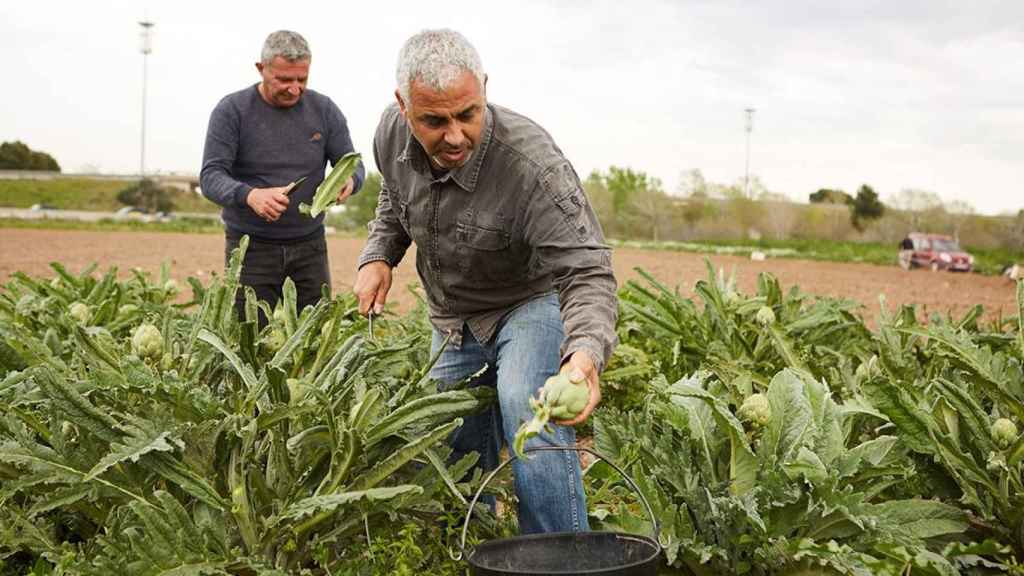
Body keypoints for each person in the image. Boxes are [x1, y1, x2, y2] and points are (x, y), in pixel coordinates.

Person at [353, 29, 617, 534]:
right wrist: (379, 254)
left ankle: (559, 555)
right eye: (434, 120)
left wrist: (582, 359)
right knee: (454, 435)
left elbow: (587, 270)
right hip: (452, 316)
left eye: (468, 114)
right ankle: (476, 546)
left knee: (529, 406)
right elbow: (394, 197)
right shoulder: (389, 134)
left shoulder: (532, 166)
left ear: (485, 91)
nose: (454, 135)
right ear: (403, 107)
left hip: (529, 299)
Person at [200, 30, 365, 315]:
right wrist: (250, 196)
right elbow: (211, 176)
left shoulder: (324, 110)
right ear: (261, 69)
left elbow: (353, 165)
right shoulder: (232, 111)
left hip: (310, 247)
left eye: (302, 79)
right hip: (250, 249)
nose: (294, 88)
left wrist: (350, 181)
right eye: (284, 80)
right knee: (247, 339)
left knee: (315, 337)